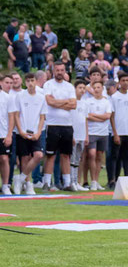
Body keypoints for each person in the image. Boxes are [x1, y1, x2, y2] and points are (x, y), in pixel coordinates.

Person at [42, 61, 77, 191]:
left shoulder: (69, 86)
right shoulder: (48, 84)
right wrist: (65, 102)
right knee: (51, 155)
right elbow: (49, 102)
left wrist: (58, 102)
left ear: (65, 71)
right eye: (57, 70)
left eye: (62, 70)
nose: (60, 72)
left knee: (66, 155)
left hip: (67, 125)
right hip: (52, 124)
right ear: (53, 71)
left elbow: (74, 104)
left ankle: (67, 183)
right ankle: (46, 182)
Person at [13, 73, 46, 195]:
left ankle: (20, 179)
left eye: (32, 80)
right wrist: (20, 130)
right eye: (28, 81)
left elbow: (42, 117)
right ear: (25, 82)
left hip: (36, 132)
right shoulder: (20, 96)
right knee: (25, 158)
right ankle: (28, 184)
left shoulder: (41, 97)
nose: (30, 83)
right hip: (22, 131)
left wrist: (38, 132)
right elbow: (16, 115)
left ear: (36, 81)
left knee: (38, 155)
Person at [110, 73, 128, 183]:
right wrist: (115, 133)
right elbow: (112, 116)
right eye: (123, 80)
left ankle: (127, 181)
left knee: (127, 157)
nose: (125, 82)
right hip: (118, 132)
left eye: (127, 80)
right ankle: (114, 180)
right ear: (119, 83)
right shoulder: (114, 97)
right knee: (116, 158)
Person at [86, 80, 112, 191]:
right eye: (94, 87)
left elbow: (107, 116)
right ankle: (92, 180)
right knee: (91, 154)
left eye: (98, 87)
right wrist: (100, 117)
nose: (96, 89)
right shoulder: (88, 101)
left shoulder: (106, 102)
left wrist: (94, 116)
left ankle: (96, 181)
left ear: (102, 89)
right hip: (92, 132)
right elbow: (87, 116)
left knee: (99, 156)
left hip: (103, 132)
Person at [69, 80, 89, 191]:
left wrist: (86, 136)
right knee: (72, 159)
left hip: (82, 135)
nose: (82, 90)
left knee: (78, 159)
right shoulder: (72, 103)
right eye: (79, 88)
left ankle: (76, 182)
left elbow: (85, 120)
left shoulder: (85, 103)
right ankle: (71, 181)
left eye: (83, 88)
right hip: (74, 135)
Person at [0, 76, 14, 195]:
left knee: (4, 158)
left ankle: (5, 185)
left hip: (3, 133)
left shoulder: (7, 98)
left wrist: (9, 134)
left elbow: (11, 117)